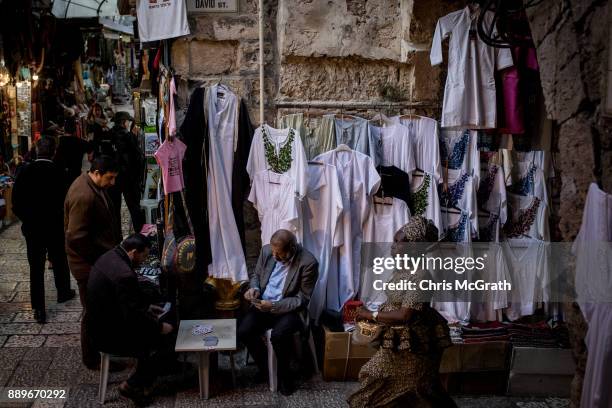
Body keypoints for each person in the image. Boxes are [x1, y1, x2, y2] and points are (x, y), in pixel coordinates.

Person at [347, 216, 456, 408]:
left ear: (414, 248)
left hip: (414, 346)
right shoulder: (403, 269)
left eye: (399, 242)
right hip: (397, 341)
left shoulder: (420, 276)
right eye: (394, 241)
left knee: (412, 389)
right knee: (391, 386)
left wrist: (370, 314)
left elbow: (405, 315)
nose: (393, 246)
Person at [87, 234, 175, 406]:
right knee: (162, 340)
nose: (143, 261)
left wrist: (147, 307)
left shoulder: (110, 256)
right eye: (144, 256)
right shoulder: (124, 274)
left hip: (101, 324)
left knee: (155, 327)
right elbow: (134, 317)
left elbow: (125, 300)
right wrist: (159, 327)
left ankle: (148, 378)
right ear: (134, 252)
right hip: (108, 335)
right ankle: (132, 385)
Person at [238, 229, 318, 396]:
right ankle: (266, 369)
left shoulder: (308, 262)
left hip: (290, 311)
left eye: (279, 254)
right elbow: (256, 275)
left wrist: (274, 305)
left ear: (292, 249)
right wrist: (254, 288)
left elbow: (301, 299)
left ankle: (285, 376)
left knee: (279, 335)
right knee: (244, 331)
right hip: (263, 305)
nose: (274, 256)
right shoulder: (267, 251)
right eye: (273, 252)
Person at [64, 155, 123, 369]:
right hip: (87, 265)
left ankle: (103, 350)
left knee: (97, 309)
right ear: (96, 173)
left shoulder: (94, 186)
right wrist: (97, 262)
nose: (113, 183)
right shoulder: (84, 195)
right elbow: (75, 237)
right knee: (92, 311)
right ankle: (92, 359)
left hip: (95, 261)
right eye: (109, 178)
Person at [11, 137, 76, 323]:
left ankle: (39, 307)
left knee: (36, 267)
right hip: (55, 226)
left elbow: (16, 203)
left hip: (33, 228)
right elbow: (68, 203)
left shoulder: (25, 171)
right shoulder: (60, 172)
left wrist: (27, 219)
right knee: (59, 259)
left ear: (35, 150)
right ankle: (63, 291)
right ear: (54, 152)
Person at [108, 111, 145, 233]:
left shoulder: (110, 135)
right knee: (134, 208)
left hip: (113, 177)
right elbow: (138, 157)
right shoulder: (129, 136)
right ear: (124, 122)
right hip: (129, 178)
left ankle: (117, 236)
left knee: (114, 209)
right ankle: (139, 233)